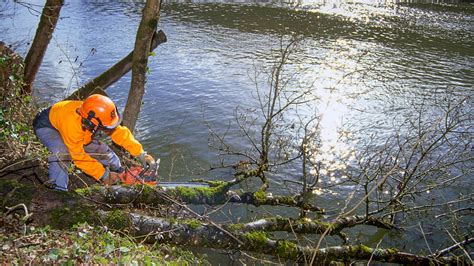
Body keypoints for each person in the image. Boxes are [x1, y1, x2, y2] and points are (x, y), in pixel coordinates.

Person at [33, 94, 155, 191]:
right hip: (48, 126)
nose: (108, 128)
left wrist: (141, 154)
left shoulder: (96, 114)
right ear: (92, 124)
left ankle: (120, 172)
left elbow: (120, 133)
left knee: (102, 149)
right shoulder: (73, 126)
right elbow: (78, 156)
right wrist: (103, 175)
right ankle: (58, 191)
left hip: (76, 130)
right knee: (62, 153)